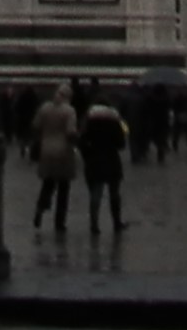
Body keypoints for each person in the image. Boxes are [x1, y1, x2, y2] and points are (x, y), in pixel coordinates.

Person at [32, 86, 79, 232]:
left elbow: (35, 125)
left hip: (46, 150)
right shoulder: (69, 111)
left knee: (48, 184)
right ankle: (59, 222)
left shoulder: (45, 108)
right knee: (63, 189)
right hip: (63, 152)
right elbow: (70, 131)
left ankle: (40, 208)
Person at [78, 96, 127, 235]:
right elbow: (121, 143)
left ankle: (94, 225)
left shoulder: (88, 122)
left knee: (95, 194)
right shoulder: (115, 121)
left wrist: (87, 155)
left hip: (94, 161)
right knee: (114, 193)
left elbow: (81, 142)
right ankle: (116, 222)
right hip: (112, 160)